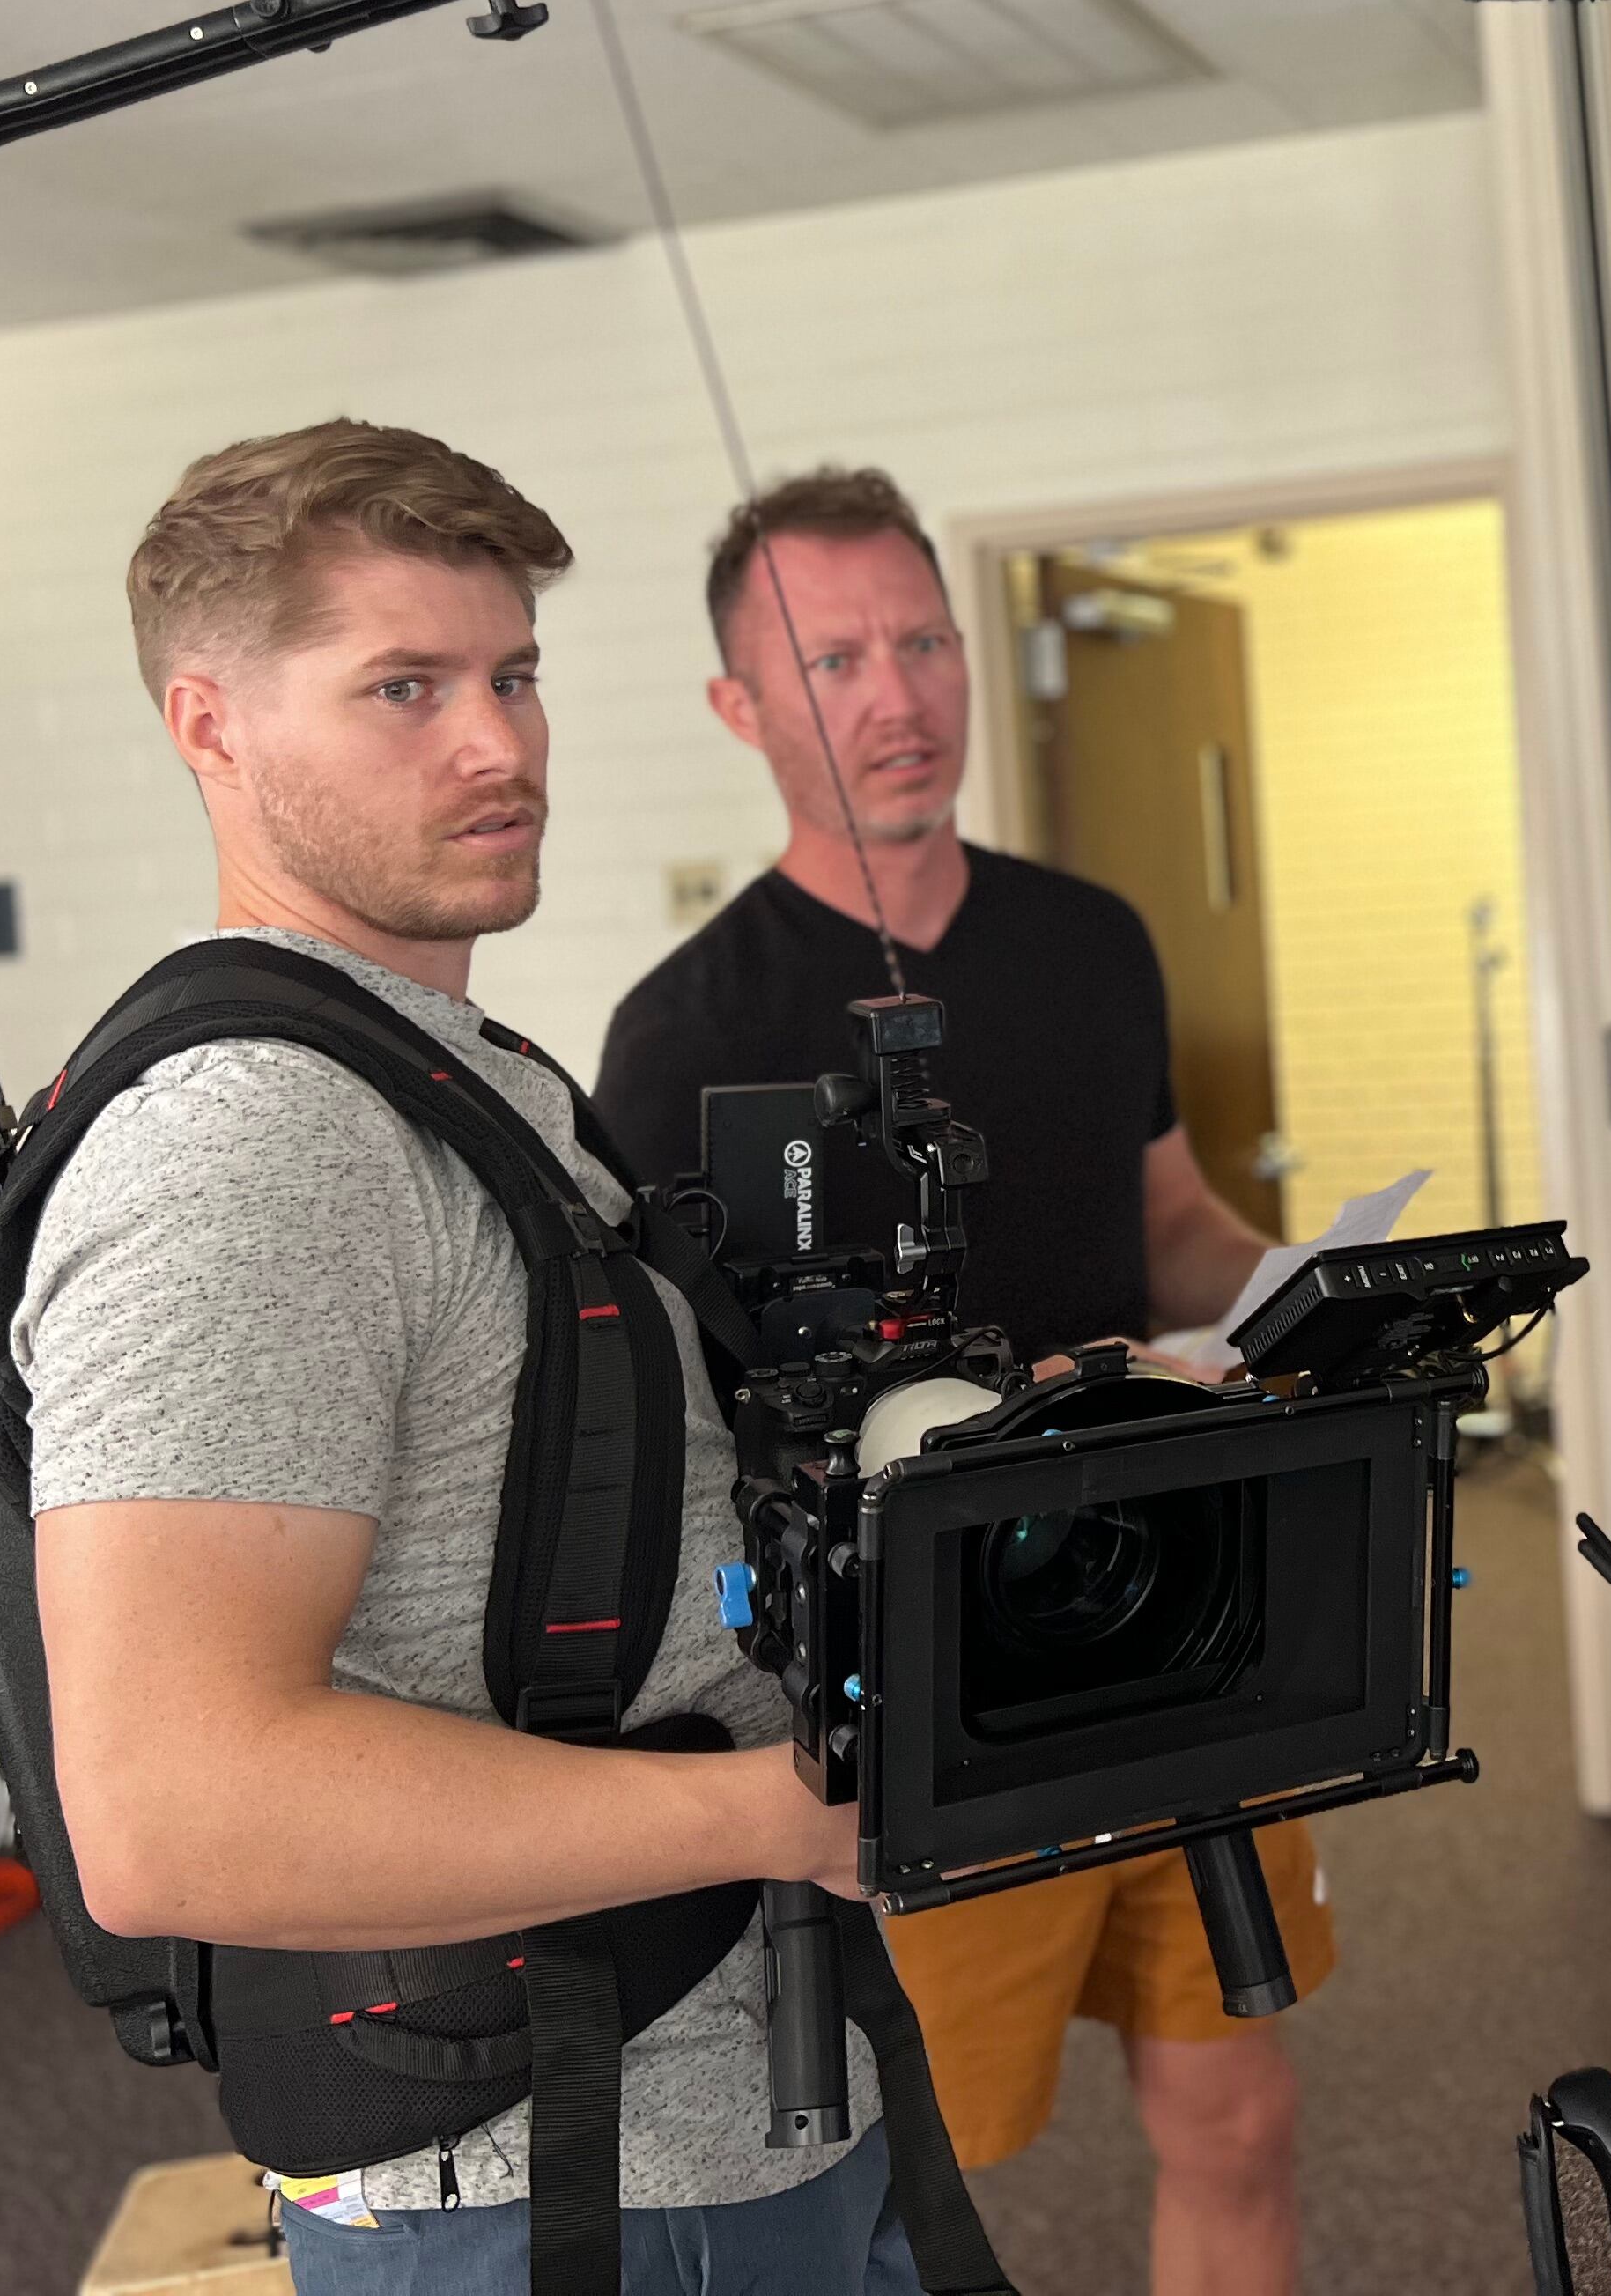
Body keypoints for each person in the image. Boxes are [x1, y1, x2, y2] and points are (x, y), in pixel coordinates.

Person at [20, 420, 913, 2292]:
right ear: (212, 727)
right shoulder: (254, 1143)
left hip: (717, 2101)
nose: (499, 745)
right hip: (542, 2177)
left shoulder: (460, 1081)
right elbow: (173, 1809)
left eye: (512, 675)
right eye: (402, 688)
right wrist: (771, 1814)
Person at [595, 466, 1319, 2296]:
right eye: (834, 658)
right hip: (923, 1678)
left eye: (921, 641)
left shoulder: (1094, 941)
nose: (900, 696)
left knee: (1239, 2119)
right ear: (742, 710)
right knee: (910, 2183)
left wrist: (1318, 1294)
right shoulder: (683, 1027)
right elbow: (688, 1410)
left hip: (1173, 1609)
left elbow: (1167, 1225)